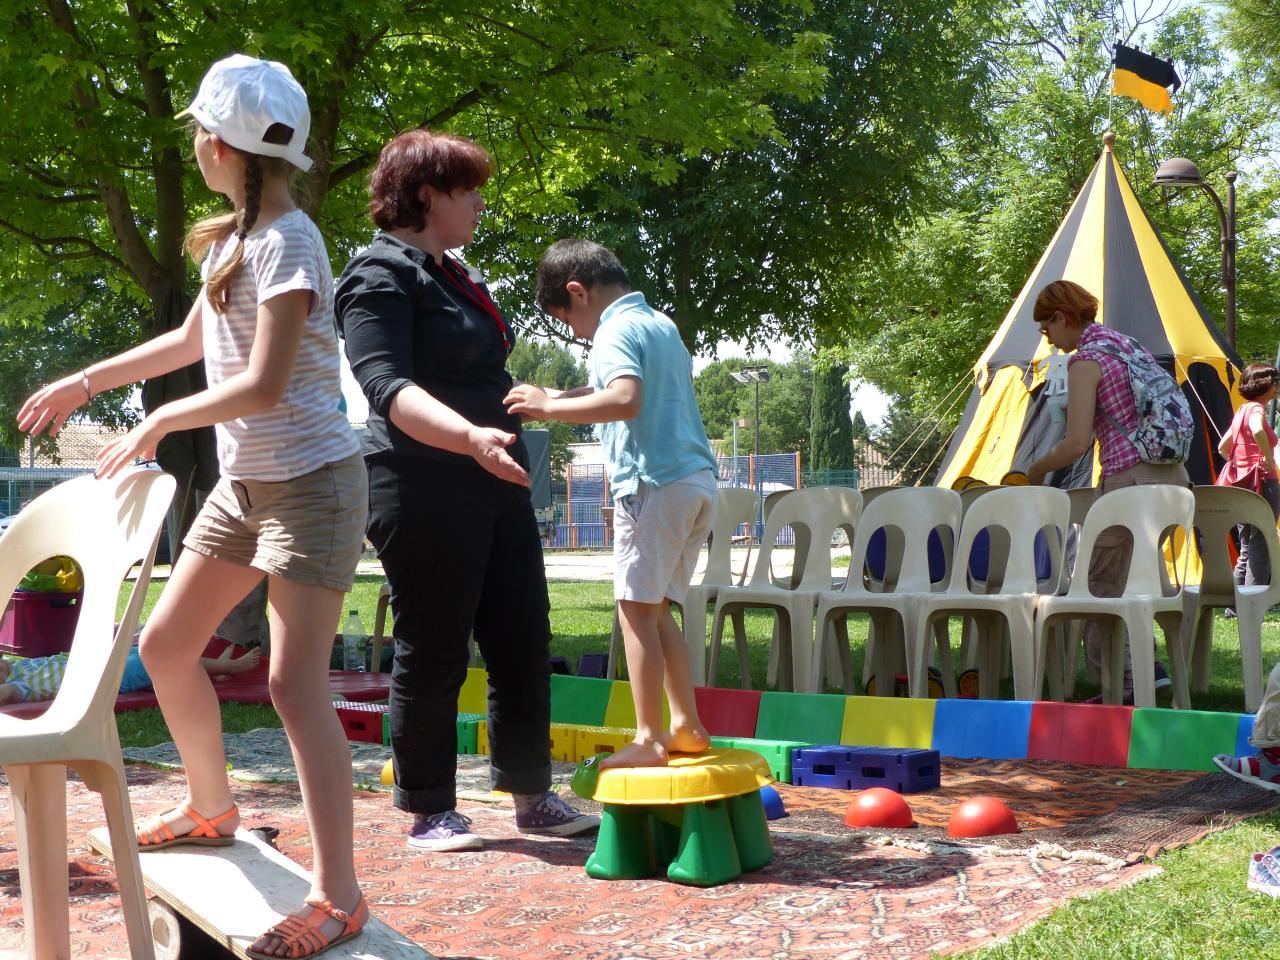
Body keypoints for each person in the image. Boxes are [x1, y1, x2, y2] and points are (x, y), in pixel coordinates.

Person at [17, 55, 368, 958]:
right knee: (168, 646)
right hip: (247, 488)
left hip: (314, 489)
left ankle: (339, 896)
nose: (195, 148)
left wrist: (166, 416)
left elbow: (265, 381)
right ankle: (213, 806)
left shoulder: (293, 241)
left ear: (218, 145)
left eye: (196, 136)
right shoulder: (229, 241)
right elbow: (188, 341)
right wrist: (86, 380)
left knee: (293, 685)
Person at [335, 128, 598, 852]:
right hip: (420, 478)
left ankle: (532, 793)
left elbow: (477, 375)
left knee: (521, 635)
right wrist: (468, 438)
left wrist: (538, 400)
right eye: (468, 189)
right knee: (436, 641)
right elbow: (386, 387)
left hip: (496, 474)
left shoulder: (455, 272)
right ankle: (429, 809)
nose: (481, 201)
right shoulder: (376, 275)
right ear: (426, 194)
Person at [505, 238, 717, 768]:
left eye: (568, 320)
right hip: (694, 482)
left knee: (632, 608)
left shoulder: (611, 332)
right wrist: (554, 398)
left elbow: (625, 398)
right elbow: (615, 388)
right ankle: (685, 724)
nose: (577, 334)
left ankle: (648, 739)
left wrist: (550, 412)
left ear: (578, 292)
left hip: (653, 484)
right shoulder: (657, 324)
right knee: (655, 609)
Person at [1024, 279, 1191, 704]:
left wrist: (1036, 468)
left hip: (1128, 483)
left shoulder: (1087, 361)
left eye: (1047, 330)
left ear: (1062, 317)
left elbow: (1077, 443)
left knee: (1097, 588)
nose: (1051, 343)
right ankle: (1148, 672)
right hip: (1171, 479)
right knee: (1137, 586)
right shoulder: (1127, 347)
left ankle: (1122, 688)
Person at [0, 644, 262, 704]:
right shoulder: (18, 685)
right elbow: (6, 695)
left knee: (150, 647)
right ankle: (230, 667)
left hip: (108, 662)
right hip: (112, 677)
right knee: (159, 658)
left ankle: (210, 669)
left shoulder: (16, 666)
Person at [1216, 363, 1280, 595]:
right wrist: (1266, 456)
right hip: (1263, 483)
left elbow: (1223, 447)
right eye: (1274, 383)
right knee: (1261, 542)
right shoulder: (1256, 410)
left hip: (1243, 486)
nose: (1277, 388)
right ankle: (1253, 600)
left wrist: (1240, 464)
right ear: (1264, 385)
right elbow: (1258, 430)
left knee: (1246, 545)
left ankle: (1234, 603)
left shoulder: (1241, 410)